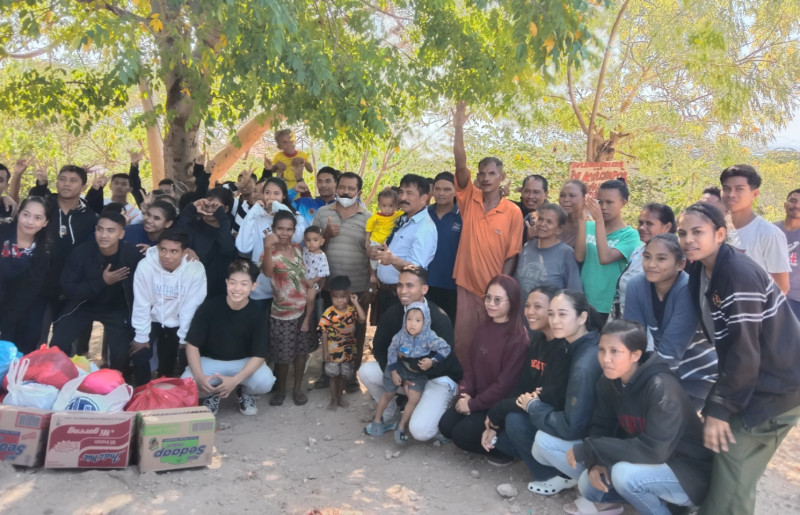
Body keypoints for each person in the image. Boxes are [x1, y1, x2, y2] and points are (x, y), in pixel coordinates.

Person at [678, 202, 800, 515]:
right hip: (754, 377)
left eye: (697, 232)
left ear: (720, 234)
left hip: (778, 383)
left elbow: (744, 351)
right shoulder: (701, 268)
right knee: (719, 449)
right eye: (682, 233)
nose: (688, 239)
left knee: (732, 454)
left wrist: (720, 408)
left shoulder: (736, 275)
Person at [536, 320, 712, 515]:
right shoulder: (608, 381)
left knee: (623, 476)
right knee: (589, 484)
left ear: (635, 355)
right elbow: (600, 427)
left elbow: (653, 451)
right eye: (602, 350)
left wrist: (593, 449)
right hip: (644, 462)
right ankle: (616, 504)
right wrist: (596, 461)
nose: (605, 359)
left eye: (614, 351)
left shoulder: (661, 387)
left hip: (686, 474)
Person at [492, 290, 603, 495]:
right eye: (551, 314)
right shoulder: (575, 344)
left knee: (529, 433)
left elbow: (573, 427)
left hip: (591, 443)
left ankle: (572, 480)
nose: (554, 321)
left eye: (562, 314)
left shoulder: (584, 363)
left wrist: (533, 406)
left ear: (582, 317)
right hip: (582, 430)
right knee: (505, 439)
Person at [451, 102, 523, 366]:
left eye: (492, 173)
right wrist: (458, 126)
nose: (485, 177)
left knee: (492, 346)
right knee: (464, 343)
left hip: (494, 292)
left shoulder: (513, 211)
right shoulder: (469, 198)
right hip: (468, 287)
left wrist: (500, 289)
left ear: (501, 176)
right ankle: (462, 391)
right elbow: (460, 164)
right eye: (481, 174)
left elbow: (512, 254)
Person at [359, 267, 462, 442]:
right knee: (366, 372)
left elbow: (445, 358)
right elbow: (380, 347)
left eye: (409, 285)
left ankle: (442, 411)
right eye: (400, 285)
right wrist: (395, 372)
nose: (403, 291)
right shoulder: (393, 313)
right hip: (405, 375)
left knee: (421, 432)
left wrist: (413, 374)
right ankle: (390, 417)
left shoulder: (439, 318)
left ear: (424, 289)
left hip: (437, 379)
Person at [623, 234, 718, 410]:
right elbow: (632, 338)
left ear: (681, 264)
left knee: (657, 417)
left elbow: (671, 349)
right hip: (663, 370)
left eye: (661, 259)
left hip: (698, 376)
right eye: (647, 256)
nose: (651, 264)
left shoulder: (688, 290)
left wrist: (639, 382)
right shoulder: (636, 285)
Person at [438, 275, 528, 459]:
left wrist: (472, 405)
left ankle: (506, 449)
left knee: (461, 436)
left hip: (497, 407)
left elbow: (504, 386)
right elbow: (470, 366)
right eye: (488, 297)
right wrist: (465, 394)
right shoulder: (484, 326)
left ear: (513, 302)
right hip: (477, 398)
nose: (490, 304)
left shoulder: (518, 339)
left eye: (498, 300)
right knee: (446, 426)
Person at [479, 286, 569, 468]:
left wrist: (497, 412)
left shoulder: (565, 347)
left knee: (513, 421)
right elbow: (524, 385)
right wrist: (495, 419)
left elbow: (547, 397)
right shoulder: (537, 340)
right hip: (532, 409)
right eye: (527, 306)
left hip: (555, 419)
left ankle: (550, 474)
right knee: (499, 441)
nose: (530, 312)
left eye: (537, 307)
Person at [50, 211, 143, 374]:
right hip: (82, 304)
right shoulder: (81, 253)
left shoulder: (131, 255)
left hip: (116, 308)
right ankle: (59, 380)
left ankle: (117, 386)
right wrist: (102, 282)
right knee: (58, 344)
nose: (103, 235)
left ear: (121, 233)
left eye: (110, 230)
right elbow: (69, 288)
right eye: (100, 229)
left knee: (121, 357)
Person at [182, 259, 275, 416]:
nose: (237, 289)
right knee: (186, 386)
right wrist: (199, 377)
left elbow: (259, 355)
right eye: (233, 282)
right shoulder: (209, 308)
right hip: (210, 361)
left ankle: (245, 392)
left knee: (266, 382)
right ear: (226, 283)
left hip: (242, 362)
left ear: (253, 286)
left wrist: (235, 380)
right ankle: (211, 394)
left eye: (244, 284)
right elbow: (192, 345)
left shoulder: (257, 313)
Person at [312, 172, 371, 391]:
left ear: (359, 192)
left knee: (355, 333)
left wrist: (371, 286)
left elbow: (371, 255)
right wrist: (326, 234)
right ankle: (326, 374)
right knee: (328, 331)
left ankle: (350, 376)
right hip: (329, 287)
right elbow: (312, 247)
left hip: (358, 287)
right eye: (342, 187)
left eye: (351, 189)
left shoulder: (369, 217)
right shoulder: (322, 213)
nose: (345, 192)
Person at [368, 301, 452, 445]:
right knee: (388, 393)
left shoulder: (430, 337)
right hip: (399, 368)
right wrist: (394, 371)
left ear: (425, 322)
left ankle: (401, 426)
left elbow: (445, 349)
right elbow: (391, 351)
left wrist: (432, 361)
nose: (413, 324)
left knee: (413, 398)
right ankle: (378, 419)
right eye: (409, 319)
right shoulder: (400, 335)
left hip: (417, 374)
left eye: (418, 320)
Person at [130, 231, 207, 386]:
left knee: (170, 360)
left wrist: (184, 337)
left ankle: (165, 394)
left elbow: (191, 306)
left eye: (174, 251)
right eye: (163, 249)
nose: (167, 256)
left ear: (185, 252)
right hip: (151, 317)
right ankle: (142, 392)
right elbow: (141, 302)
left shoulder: (195, 269)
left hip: (178, 320)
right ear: (157, 248)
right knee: (139, 353)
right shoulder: (145, 266)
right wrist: (141, 336)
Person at [262, 210, 319, 406]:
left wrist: (315, 287)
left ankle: (297, 388)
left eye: (289, 229)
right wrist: (268, 248)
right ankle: (281, 389)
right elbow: (268, 271)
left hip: (303, 310)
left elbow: (310, 273)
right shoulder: (269, 252)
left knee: (301, 352)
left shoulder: (298, 249)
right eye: (280, 229)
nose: (285, 233)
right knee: (282, 355)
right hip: (281, 312)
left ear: (294, 231)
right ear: (273, 229)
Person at [236, 177, 307, 316]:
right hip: (261, 285)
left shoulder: (295, 215)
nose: (271, 197)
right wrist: (253, 212)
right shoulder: (255, 217)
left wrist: (281, 209)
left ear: (284, 196)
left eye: (276, 193)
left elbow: (298, 237)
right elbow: (243, 247)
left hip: (286, 285)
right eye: (267, 193)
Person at [575, 179, 641, 321]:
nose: (603, 207)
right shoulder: (589, 227)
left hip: (608, 304)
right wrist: (581, 220)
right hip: (584, 301)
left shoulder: (630, 235)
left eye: (610, 202)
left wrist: (598, 221)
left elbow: (605, 258)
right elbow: (579, 257)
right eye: (600, 201)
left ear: (623, 203)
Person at [720, 164, 791, 294]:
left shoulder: (769, 233)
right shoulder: (716, 228)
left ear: (755, 193)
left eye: (739, 189)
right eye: (726, 189)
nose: (731, 194)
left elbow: (782, 286)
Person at [374, 174, 437, 317]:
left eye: (409, 193)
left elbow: (416, 270)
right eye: (401, 192)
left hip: (403, 297)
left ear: (424, 198)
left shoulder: (425, 227)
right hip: (387, 293)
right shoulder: (403, 218)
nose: (403, 198)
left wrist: (392, 259)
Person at [0, 197, 53, 353]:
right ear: (18, 214)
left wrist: (4, 324)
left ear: (45, 222)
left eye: (38, 218)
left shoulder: (44, 251)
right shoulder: (2, 231)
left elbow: (29, 290)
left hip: (21, 307)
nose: (30, 221)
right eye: (26, 214)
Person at [613, 203, 675, 317]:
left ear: (667, 227)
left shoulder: (673, 258)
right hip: (623, 322)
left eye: (649, 223)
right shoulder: (638, 251)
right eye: (640, 223)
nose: (642, 227)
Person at [173, 186, 236, 297]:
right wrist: (191, 208)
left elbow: (226, 249)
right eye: (206, 205)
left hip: (215, 292)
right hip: (187, 288)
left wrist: (223, 219)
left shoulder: (226, 231)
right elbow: (175, 236)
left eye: (215, 206)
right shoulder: (193, 226)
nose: (209, 209)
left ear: (225, 209)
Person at [514, 203, 582, 298]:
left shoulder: (566, 254)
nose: (542, 224)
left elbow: (574, 293)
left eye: (549, 222)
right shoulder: (527, 247)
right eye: (540, 219)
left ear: (560, 229)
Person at [318, 275, 366, 410]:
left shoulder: (351, 311)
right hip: (333, 351)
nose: (339, 301)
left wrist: (355, 302)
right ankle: (333, 400)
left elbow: (362, 319)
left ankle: (340, 397)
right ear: (331, 296)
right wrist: (325, 352)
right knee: (333, 376)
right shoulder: (328, 313)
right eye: (335, 297)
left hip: (348, 350)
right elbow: (324, 332)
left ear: (349, 295)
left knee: (343, 376)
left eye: (343, 297)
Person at [425, 171, 461, 322]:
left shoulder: (463, 216)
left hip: (452, 285)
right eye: (437, 189)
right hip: (424, 282)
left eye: (447, 189)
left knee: (446, 328)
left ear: (455, 192)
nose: (441, 193)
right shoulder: (424, 213)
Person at [365, 188, 403, 284]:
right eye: (384, 206)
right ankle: (373, 274)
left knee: (385, 259)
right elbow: (368, 229)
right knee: (374, 258)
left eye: (391, 206)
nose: (387, 208)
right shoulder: (375, 217)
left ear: (396, 206)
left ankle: (381, 274)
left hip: (388, 242)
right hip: (376, 240)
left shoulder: (398, 214)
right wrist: (367, 241)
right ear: (379, 205)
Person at [775, 188, 800, 318]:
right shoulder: (771, 231)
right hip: (772, 295)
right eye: (793, 201)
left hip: (797, 299)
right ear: (785, 204)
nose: (797, 205)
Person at [301, 225, 329, 332]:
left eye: (315, 240)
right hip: (301, 280)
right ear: (304, 241)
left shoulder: (322, 256)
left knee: (310, 297)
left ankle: (306, 320)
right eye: (308, 240)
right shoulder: (304, 251)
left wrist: (312, 281)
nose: (311, 243)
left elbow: (323, 273)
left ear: (322, 241)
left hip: (313, 283)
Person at [516, 174, 548, 243]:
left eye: (536, 192)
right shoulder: (512, 209)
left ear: (546, 194)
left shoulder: (552, 217)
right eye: (527, 191)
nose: (530, 196)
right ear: (522, 191)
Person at [557, 180, 587, 248]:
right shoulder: (554, 225)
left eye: (572, 196)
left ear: (584, 199)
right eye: (562, 195)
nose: (566, 199)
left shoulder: (592, 228)